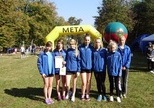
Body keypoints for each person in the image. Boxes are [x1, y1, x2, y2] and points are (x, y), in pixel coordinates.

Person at [78, 35, 94, 101]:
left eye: (88, 40)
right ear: (84, 40)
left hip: (89, 67)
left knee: (88, 82)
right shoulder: (80, 48)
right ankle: (82, 94)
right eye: (86, 40)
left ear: (90, 40)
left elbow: (93, 58)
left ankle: (87, 94)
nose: (87, 41)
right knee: (84, 82)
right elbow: (78, 58)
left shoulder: (92, 48)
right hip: (83, 67)